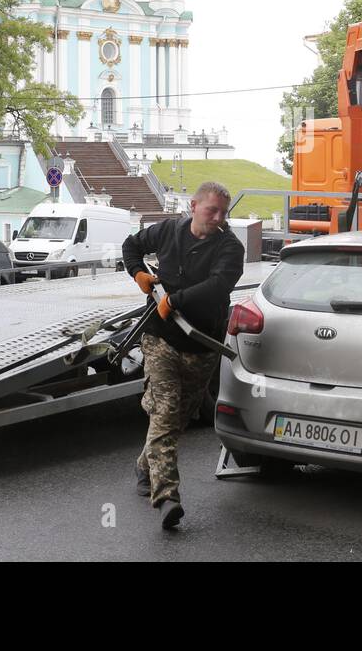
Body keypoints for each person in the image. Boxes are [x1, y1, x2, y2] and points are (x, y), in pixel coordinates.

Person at [122, 181, 244, 529]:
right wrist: (140, 275)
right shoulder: (168, 231)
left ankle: (146, 465)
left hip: (202, 343)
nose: (218, 218)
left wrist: (174, 300)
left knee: (179, 418)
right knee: (165, 411)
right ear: (194, 206)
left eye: (224, 212)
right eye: (212, 210)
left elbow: (218, 286)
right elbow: (131, 246)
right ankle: (167, 498)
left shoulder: (230, 247)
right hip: (161, 339)